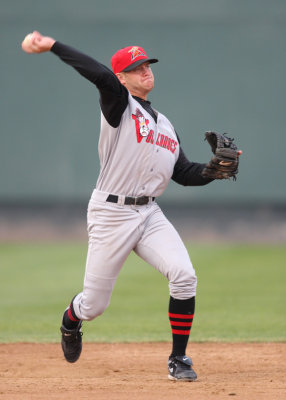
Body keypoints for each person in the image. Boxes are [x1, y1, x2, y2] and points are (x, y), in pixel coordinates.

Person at [21, 31, 240, 381]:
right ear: (122, 78)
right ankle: (71, 319)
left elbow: (184, 173)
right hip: (111, 212)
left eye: (146, 65)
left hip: (149, 213)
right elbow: (101, 76)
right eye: (136, 68)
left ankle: (178, 359)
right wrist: (53, 46)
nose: (145, 71)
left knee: (184, 276)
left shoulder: (166, 126)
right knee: (94, 305)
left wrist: (213, 171)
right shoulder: (119, 105)